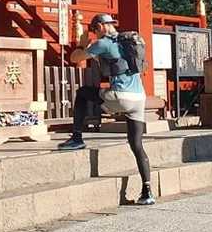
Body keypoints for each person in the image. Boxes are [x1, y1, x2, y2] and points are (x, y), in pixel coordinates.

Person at [56, 13, 154, 206]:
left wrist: (82, 44)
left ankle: (77, 138)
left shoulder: (104, 43)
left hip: (121, 96)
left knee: (83, 93)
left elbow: (75, 58)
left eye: (95, 30)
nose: (95, 34)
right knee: (136, 145)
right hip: (139, 98)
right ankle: (147, 191)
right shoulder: (127, 41)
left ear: (100, 26)